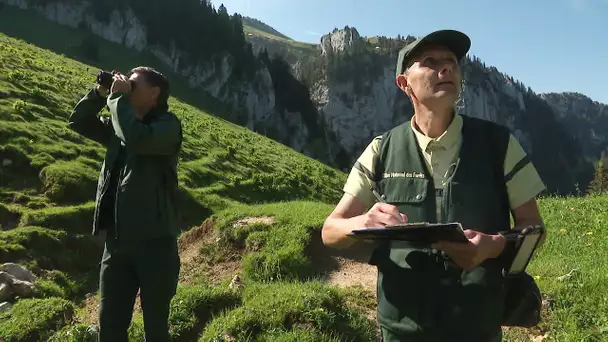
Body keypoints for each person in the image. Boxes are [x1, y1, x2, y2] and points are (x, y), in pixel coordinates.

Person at [321, 30, 547, 342]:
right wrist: (361, 222)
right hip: (402, 328)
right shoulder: (381, 149)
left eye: (452, 62)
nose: (447, 68)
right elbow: (330, 231)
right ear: (404, 83)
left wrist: (493, 245)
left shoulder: (499, 145)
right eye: (430, 62)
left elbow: (534, 228)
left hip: (477, 327)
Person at [68, 66, 183, 342]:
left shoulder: (167, 127)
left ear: (154, 93)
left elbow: (136, 139)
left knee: (155, 329)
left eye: (133, 84)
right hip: (117, 244)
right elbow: (79, 121)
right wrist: (100, 93)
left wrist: (118, 99)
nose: (126, 86)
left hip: (155, 245)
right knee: (110, 327)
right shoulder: (120, 126)